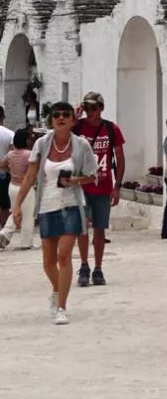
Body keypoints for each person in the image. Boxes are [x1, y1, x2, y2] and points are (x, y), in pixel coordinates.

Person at [12, 102, 98, 324]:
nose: (61, 118)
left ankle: (61, 307)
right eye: (56, 115)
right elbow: (30, 176)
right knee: (48, 262)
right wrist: (18, 204)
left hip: (72, 204)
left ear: (72, 120)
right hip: (47, 204)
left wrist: (76, 180)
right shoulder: (42, 144)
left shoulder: (81, 146)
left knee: (63, 255)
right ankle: (57, 290)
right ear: (51, 119)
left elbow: (92, 176)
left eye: (66, 115)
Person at [71, 91, 125, 287]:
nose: (89, 112)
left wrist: (117, 186)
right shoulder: (77, 128)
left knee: (100, 229)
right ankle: (84, 265)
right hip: (82, 186)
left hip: (103, 187)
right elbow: (59, 135)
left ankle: (98, 268)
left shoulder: (111, 129)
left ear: (101, 108)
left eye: (93, 108)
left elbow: (119, 158)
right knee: (83, 226)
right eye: (86, 108)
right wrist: (74, 117)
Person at [0, 128, 35, 250]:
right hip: (26, 189)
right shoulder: (29, 154)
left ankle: (4, 233)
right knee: (28, 215)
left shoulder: (10, 155)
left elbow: (2, 164)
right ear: (26, 140)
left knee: (15, 212)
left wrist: (10, 170)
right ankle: (26, 242)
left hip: (12, 187)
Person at [0, 106, 13, 232]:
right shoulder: (9, 134)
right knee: (5, 204)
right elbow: (12, 156)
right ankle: (2, 229)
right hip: (4, 174)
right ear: (3, 116)